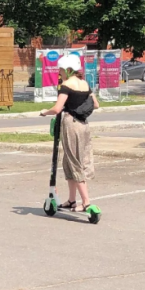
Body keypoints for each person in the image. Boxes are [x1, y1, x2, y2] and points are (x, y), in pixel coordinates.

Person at [40, 54, 99, 212]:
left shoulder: (67, 85)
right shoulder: (84, 83)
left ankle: (86, 202)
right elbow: (96, 104)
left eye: (60, 69)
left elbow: (57, 108)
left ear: (68, 69)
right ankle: (72, 200)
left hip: (71, 124)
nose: (59, 72)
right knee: (69, 161)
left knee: (74, 161)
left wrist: (45, 112)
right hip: (83, 125)